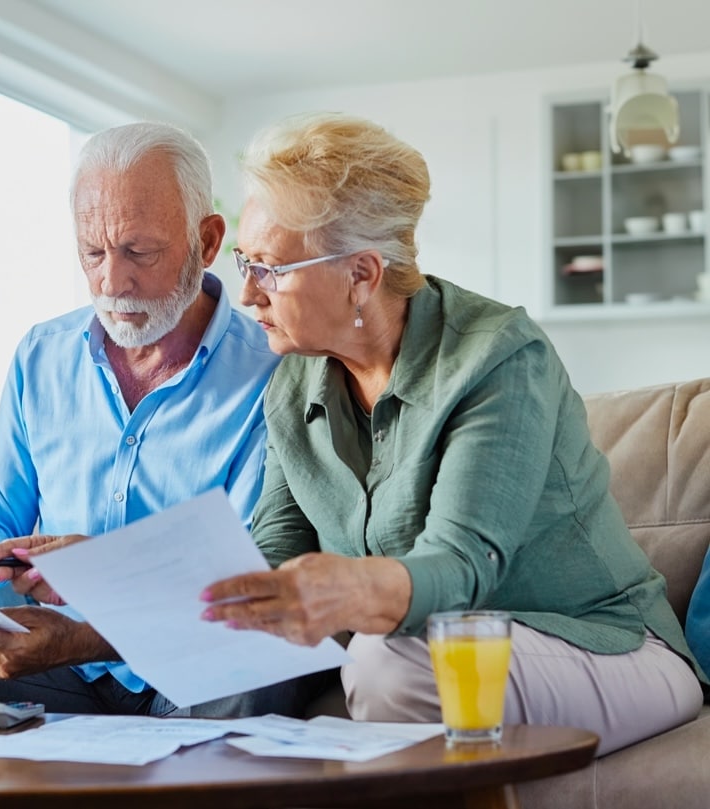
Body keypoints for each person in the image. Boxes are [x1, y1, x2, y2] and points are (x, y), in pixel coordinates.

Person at [200, 112, 707, 755]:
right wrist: (143, 585)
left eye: (269, 267)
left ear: (361, 274)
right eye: (245, 261)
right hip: (437, 651)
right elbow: (272, 548)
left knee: (389, 663)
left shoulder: (497, 356)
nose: (247, 293)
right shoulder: (293, 385)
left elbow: (465, 565)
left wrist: (349, 591)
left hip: (609, 648)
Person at [0, 121, 324, 718]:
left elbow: (246, 576)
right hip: (50, 665)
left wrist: (104, 581)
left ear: (206, 242)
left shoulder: (275, 371)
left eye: (139, 252)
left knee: (266, 656)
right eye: (93, 252)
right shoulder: (42, 355)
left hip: (188, 672)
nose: (112, 280)